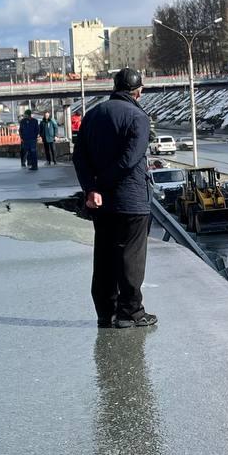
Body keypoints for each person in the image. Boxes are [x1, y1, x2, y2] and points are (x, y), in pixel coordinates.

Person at [73, 68, 156, 331]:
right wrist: (102, 184)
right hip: (131, 200)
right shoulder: (138, 118)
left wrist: (91, 189)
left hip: (101, 203)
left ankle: (105, 313)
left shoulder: (92, 115)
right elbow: (130, 160)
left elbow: (79, 158)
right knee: (131, 257)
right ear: (138, 91)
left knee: (105, 256)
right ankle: (130, 312)